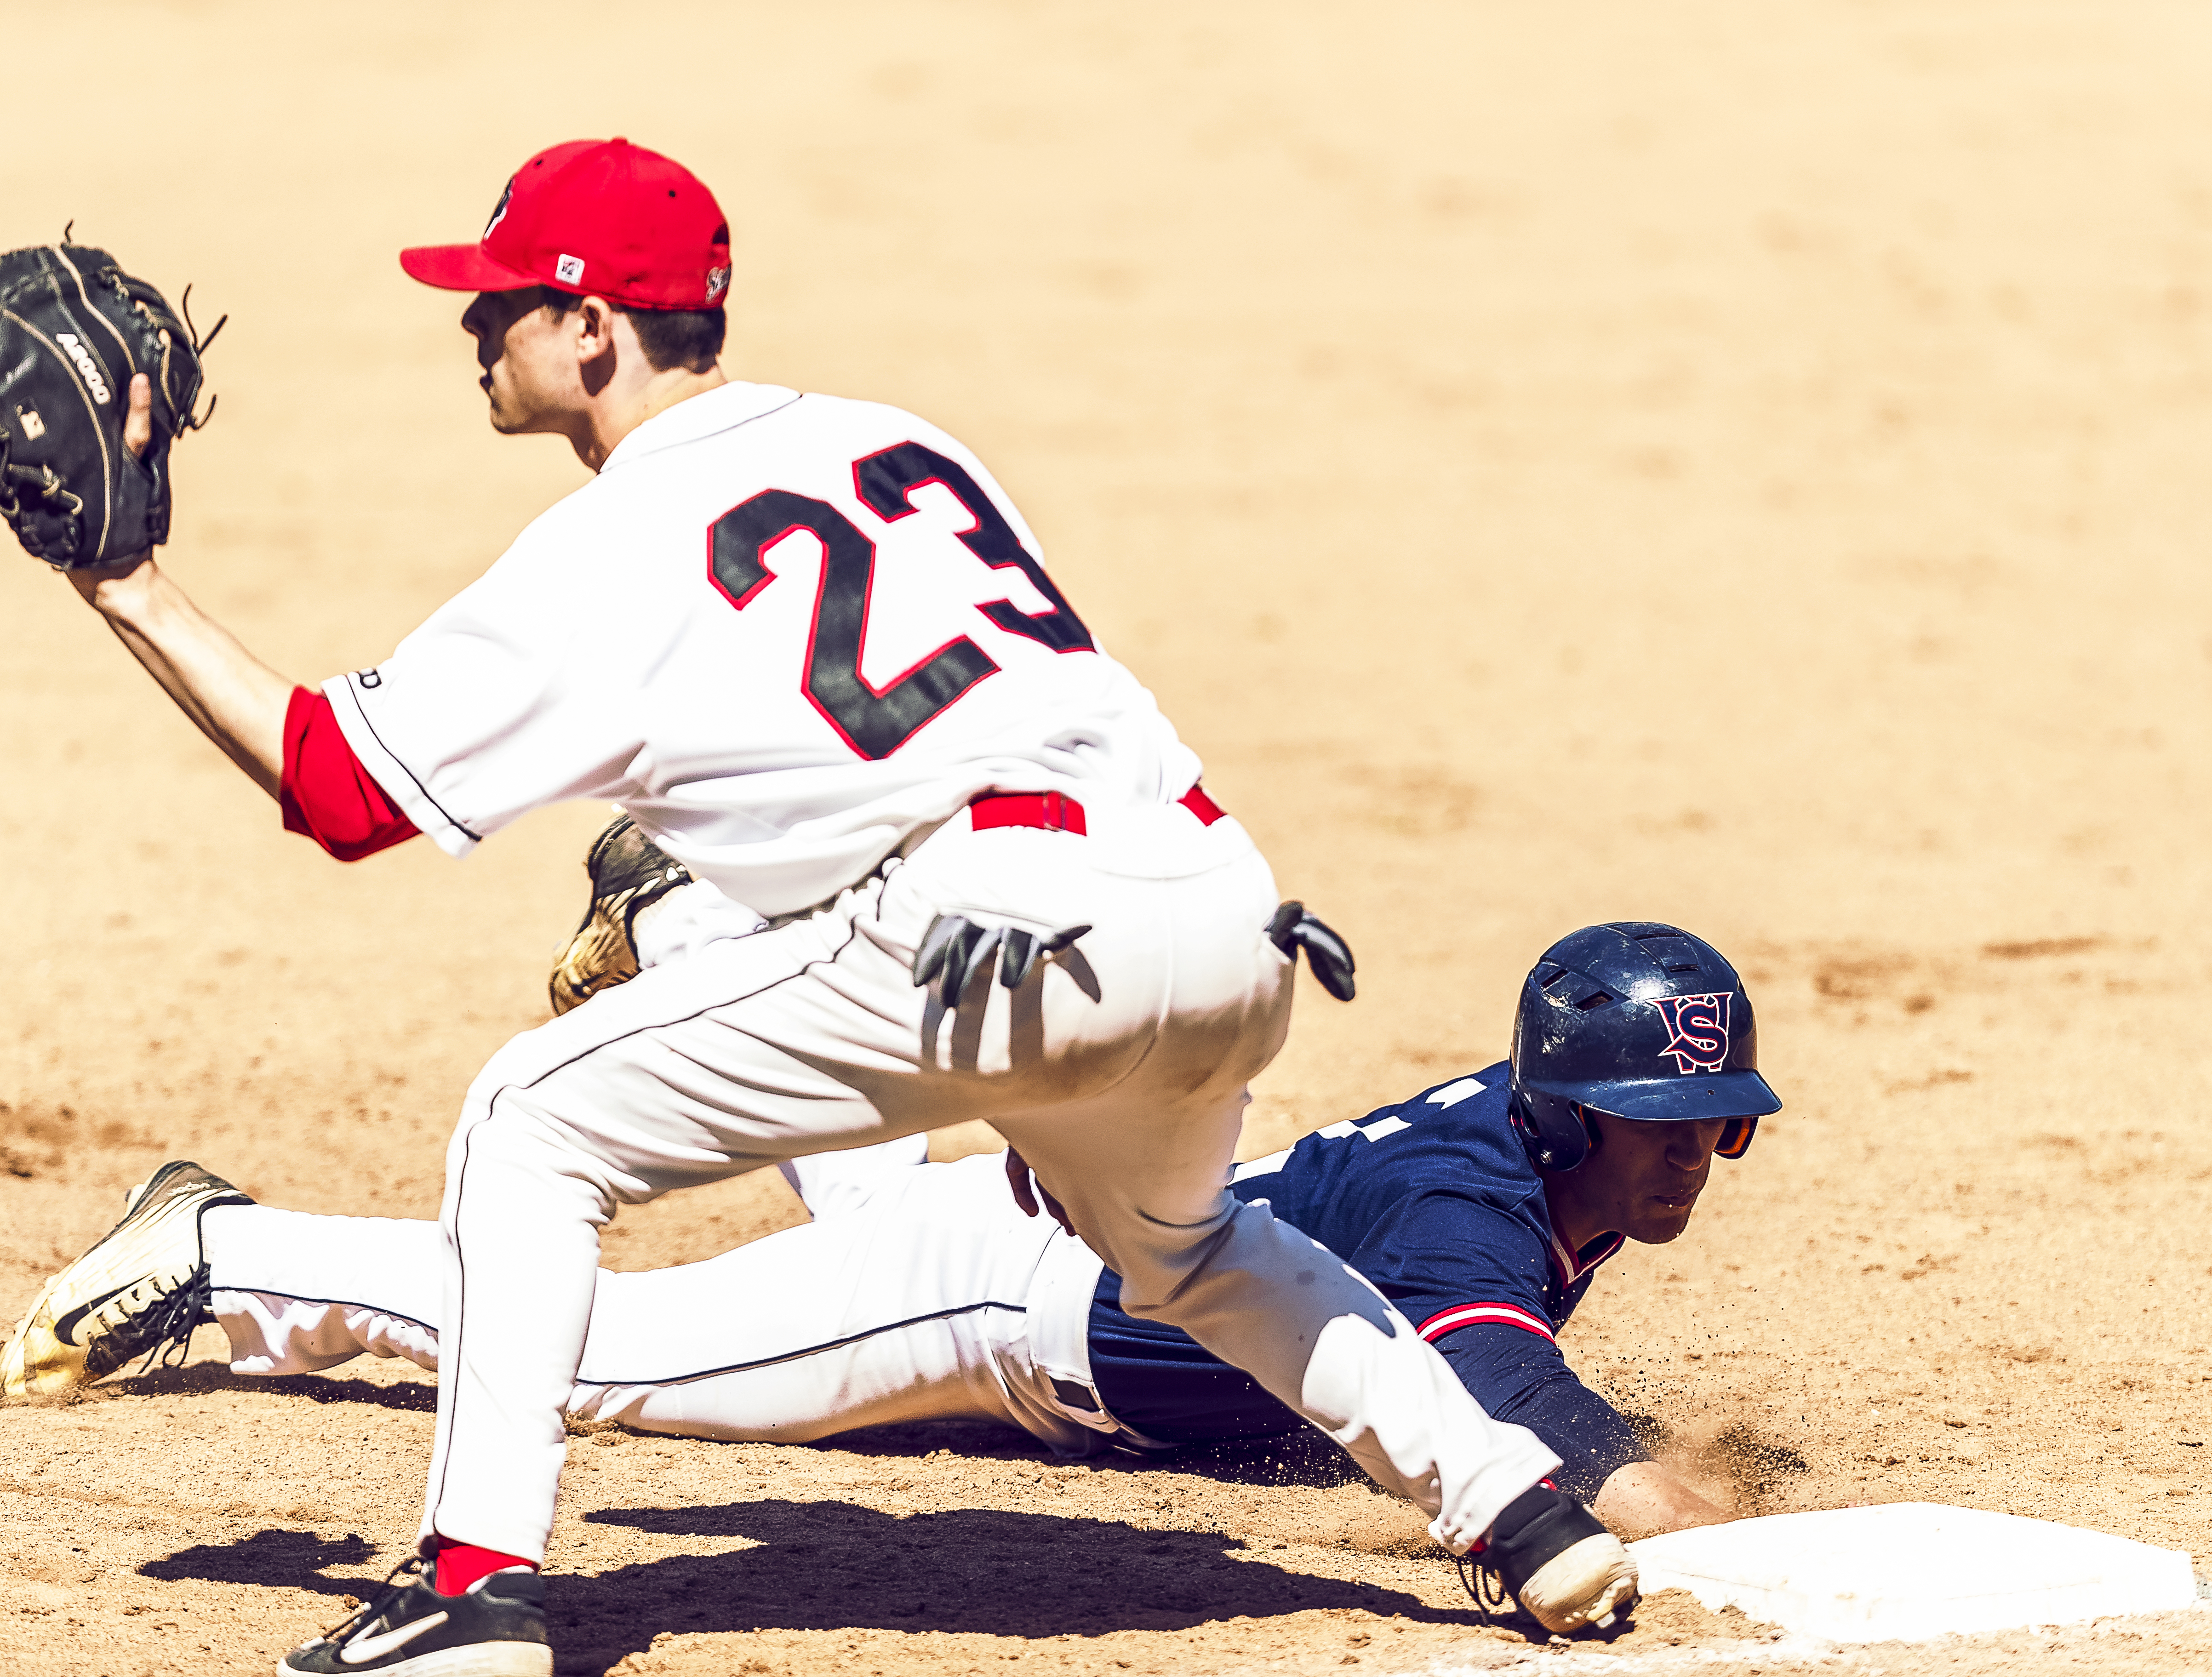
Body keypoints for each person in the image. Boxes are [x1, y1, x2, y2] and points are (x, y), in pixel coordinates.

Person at [30, 137, 1634, 1672]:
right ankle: (1513, 1507)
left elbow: (339, 788)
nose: (469, 321)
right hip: (1223, 911)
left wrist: (127, 583)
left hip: (995, 930)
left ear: (593, 329)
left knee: (529, 1121)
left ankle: (470, 1594)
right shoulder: (901, 437)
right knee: (1191, 1246)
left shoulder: (611, 543)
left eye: (500, 296)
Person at [4, 921, 1772, 1563]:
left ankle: (694, 922)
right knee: (601, 1356)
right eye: (1667, 1128)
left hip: (1040, 1237)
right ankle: (231, 1253)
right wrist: (1690, 1502)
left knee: (881, 1177)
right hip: (997, 1313)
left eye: (1720, 1125)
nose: (1698, 1157)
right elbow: (1530, 1425)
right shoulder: (1472, 1206)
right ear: (1568, 1115)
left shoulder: (1516, 1123)